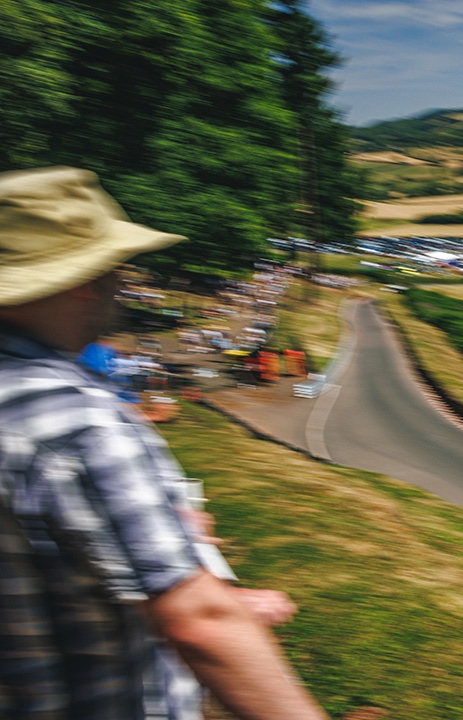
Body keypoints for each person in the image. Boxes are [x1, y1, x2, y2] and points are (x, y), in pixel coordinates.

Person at [0, 166, 329, 720]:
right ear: (84, 279)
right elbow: (198, 622)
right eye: (116, 264)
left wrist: (157, 542)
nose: (123, 279)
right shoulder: (79, 421)